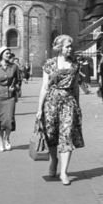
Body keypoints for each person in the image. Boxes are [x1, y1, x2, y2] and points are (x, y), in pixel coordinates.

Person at [36, 35, 84, 185]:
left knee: (67, 134)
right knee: (51, 135)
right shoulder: (49, 64)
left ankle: (63, 172)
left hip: (68, 102)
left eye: (71, 46)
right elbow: (44, 88)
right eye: (67, 46)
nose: (70, 49)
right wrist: (39, 110)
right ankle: (54, 160)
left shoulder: (75, 65)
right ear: (59, 47)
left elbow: (75, 86)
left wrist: (78, 106)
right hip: (51, 102)